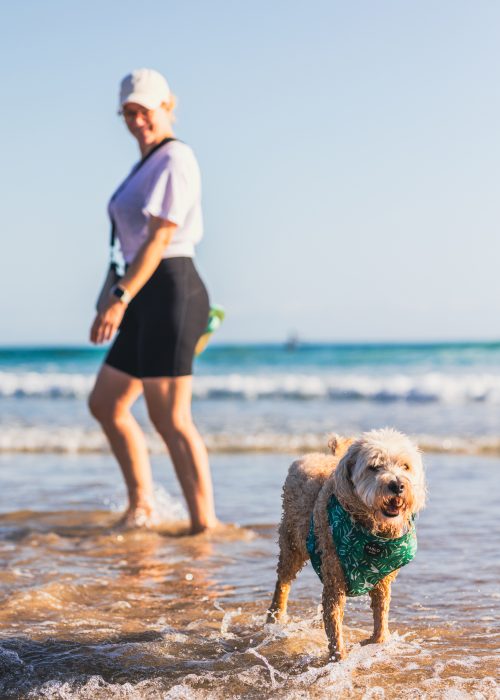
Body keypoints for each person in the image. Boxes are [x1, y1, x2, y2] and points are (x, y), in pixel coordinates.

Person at [88, 68, 218, 534]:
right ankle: (142, 504)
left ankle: (205, 526)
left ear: (168, 106)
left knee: (169, 417)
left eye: (145, 109)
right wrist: (114, 291)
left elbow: (161, 237)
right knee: (106, 402)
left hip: (170, 289)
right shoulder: (143, 164)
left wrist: (121, 297)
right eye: (128, 112)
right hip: (143, 292)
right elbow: (126, 242)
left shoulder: (175, 159)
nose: (137, 119)